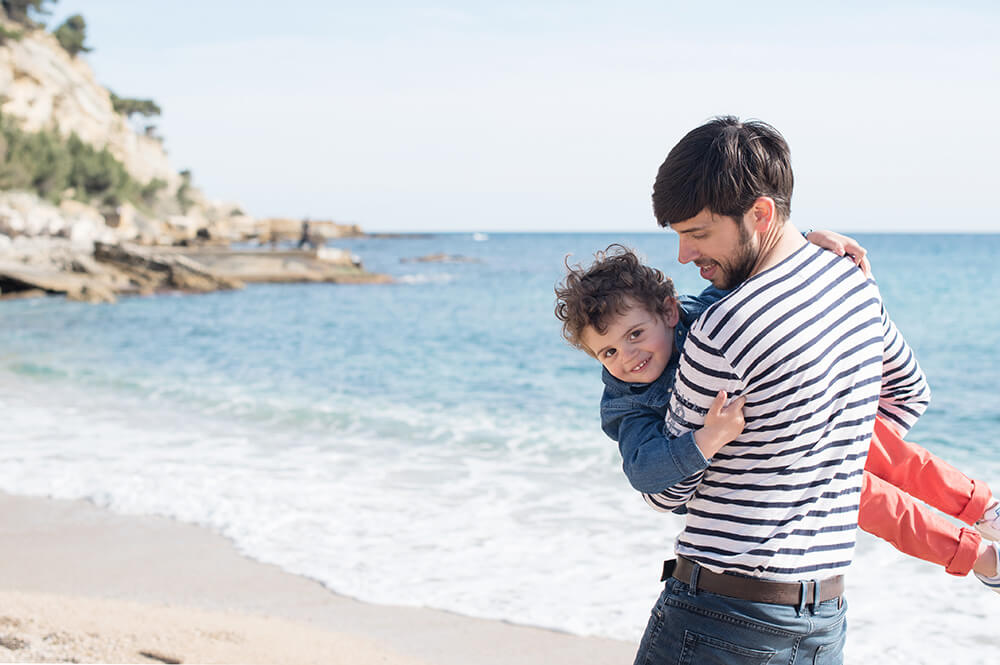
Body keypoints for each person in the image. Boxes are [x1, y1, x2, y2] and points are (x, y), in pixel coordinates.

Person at [598, 115, 966, 664]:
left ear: (760, 214)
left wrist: (766, 456)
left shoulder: (720, 328)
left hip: (721, 613)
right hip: (821, 615)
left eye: (697, 233)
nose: (683, 255)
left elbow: (665, 494)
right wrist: (812, 455)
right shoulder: (852, 281)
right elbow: (908, 393)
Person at [553, 243, 1000, 595]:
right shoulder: (625, 402)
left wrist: (810, 242)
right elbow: (645, 471)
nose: (628, 357)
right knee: (880, 506)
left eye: (635, 335)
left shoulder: (704, 314)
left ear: (669, 312)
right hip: (759, 478)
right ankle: (982, 560)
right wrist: (706, 439)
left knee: (887, 450)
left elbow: (761, 270)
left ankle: (985, 508)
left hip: (802, 425)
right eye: (608, 351)